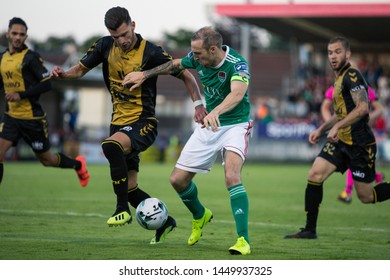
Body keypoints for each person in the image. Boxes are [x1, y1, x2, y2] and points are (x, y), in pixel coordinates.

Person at [50, 7, 206, 244]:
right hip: (118, 125)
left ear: (133, 25)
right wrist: (64, 74)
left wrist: (197, 104)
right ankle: (166, 223)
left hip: (144, 123)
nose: (121, 41)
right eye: (115, 37)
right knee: (131, 188)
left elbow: (184, 72)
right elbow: (80, 69)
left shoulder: (150, 52)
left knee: (110, 147)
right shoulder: (104, 46)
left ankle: (120, 209)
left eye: (124, 34)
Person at [123, 26, 253, 255]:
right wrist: (144, 75)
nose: (194, 56)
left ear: (213, 49)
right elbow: (175, 65)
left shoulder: (237, 63)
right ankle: (200, 215)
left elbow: (237, 94)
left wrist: (215, 112)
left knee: (232, 176)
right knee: (177, 180)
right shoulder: (197, 58)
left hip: (235, 125)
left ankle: (243, 240)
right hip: (209, 126)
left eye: (198, 53)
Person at [285, 36, 390, 239]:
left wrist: (338, 126)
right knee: (315, 174)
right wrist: (322, 129)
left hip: (360, 144)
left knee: (366, 197)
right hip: (341, 141)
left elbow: (363, 108)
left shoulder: (353, 76)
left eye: (337, 52)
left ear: (347, 54)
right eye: (330, 52)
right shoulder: (339, 77)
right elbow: (341, 113)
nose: (333, 56)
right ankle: (309, 230)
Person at [0, 17, 89, 187]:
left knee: (47, 160)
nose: (18, 37)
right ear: (8, 35)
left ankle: (78, 164)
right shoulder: (1, 59)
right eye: (14, 33)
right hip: (11, 117)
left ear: (26, 37)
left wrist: (21, 94)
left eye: (22, 34)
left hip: (33, 119)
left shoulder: (31, 58)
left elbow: (47, 83)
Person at [321, 85, 385, 203]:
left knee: (356, 164)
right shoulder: (335, 87)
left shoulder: (362, 87)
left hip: (361, 137)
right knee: (354, 164)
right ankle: (376, 178)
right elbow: (325, 107)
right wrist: (332, 126)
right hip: (343, 134)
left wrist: (368, 119)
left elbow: (379, 108)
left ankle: (348, 192)